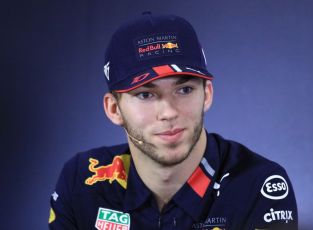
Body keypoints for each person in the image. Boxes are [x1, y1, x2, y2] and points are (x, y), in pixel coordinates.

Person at [49, 12, 298, 230]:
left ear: (207, 94)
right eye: (145, 94)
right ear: (114, 109)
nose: (168, 112)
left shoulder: (258, 184)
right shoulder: (82, 182)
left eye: (184, 90)